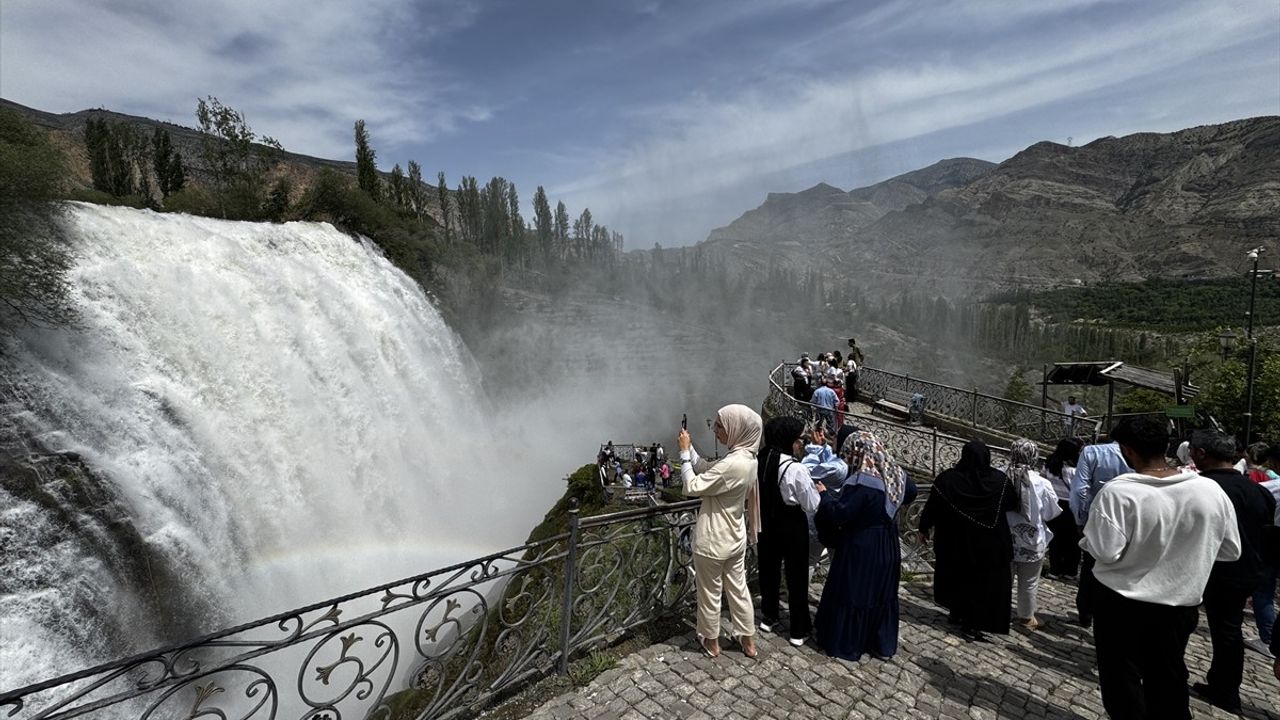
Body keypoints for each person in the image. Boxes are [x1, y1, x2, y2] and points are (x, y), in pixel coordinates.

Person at [1081, 417, 1240, 720]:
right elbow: (1230, 550)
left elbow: (1105, 551)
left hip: (1121, 602)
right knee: (1168, 675)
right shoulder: (1210, 491)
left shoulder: (1120, 492)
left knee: (1122, 679)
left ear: (1127, 451)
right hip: (1179, 604)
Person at [1188, 430, 1276, 713]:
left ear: (1201, 454)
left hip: (1204, 568)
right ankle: (1224, 687)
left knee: (1180, 623)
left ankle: (1172, 676)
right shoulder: (1258, 491)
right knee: (1229, 631)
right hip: (1245, 571)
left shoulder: (1198, 487)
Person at [814, 430, 917, 661]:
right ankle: (879, 642)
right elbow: (911, 493)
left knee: (854, 592)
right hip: (888, 543)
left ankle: (848, 642)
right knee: (881, 593)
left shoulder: (863, 482)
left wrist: (824, 495)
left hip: (861, 545)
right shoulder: (896, 474)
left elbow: (840, 513)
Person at [679, 404, 763, 659]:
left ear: (737, 429)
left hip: (713, 539)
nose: (715, 431)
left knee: (710, 594)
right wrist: (691, 448)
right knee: (738, 591)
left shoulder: (732, 465)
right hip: (735, 537)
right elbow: (708, 468)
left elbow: (692, 485)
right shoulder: (748, 458)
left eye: (720, 426)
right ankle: (748, 643)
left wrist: (683, 454)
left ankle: (712, 643)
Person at [918, 440, 1017, 641]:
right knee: (982, 584)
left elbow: (932, 507)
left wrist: (924, 528)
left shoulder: (947, 480)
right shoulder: (1000, 482)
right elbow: (1012, 504)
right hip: (989, 544)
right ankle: (973, 622)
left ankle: (958, 611)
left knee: (958, 576)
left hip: (955, 541)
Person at [756, 417, 821, 646]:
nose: (801, 444)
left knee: (769, 571)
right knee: (796, 576)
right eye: (799, 440)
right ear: (788, 441)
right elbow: (812, 504)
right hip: (792, 525)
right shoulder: (795, 469)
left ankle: (769, 616)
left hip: (766, 523)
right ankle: (797, 629)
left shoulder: (760, 461)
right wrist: (818, 489)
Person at [1070, 437, 1132, 627]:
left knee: (1090, 565)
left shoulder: (1092, 452)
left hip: (1096, 519)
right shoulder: (1141, 456)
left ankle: (1086, 611)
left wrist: (1080, 520)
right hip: (1129, 520)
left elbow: (1080, 490)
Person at [1003, 439, 1061, 631]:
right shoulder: (1042, 483)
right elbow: (1051, 513)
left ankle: (999, 613)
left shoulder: (1001, 475)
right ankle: (1026, 617)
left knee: (1004, 579)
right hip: (1032, 540)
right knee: (1028, 582)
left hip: (1005, 538)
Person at [1043, 439, 1083, 578]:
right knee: (1072, 540)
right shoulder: (1074, 471)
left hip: (1054, 504)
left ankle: (1055, 569)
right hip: (1070, 507)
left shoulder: (1049, 466)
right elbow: (1079, 491)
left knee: (1055, 539)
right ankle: (1070, 571)